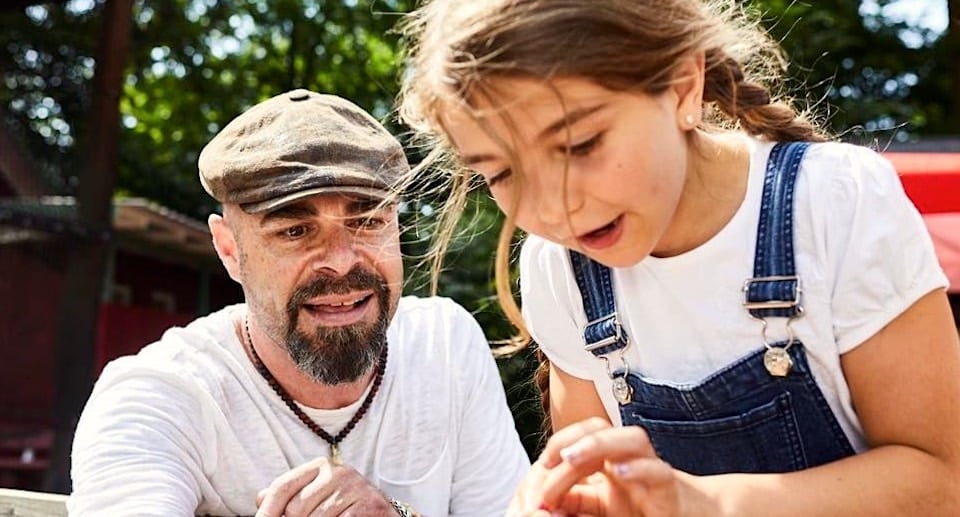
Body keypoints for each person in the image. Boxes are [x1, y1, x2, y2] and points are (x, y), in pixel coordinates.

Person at [396, 0, 960, 515]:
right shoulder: (557, 266)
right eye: (501, 173)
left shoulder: (836, 201)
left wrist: (709, 505)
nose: (553, 208)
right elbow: (595, 484)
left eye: (579, 145)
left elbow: (939, 484)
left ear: (684, 87)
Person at [67, 89, 530, 516]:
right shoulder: (161, 395)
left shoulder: (444, 346)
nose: (341, 262)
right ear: (230, 250)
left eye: (367, 220)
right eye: (294, 231)